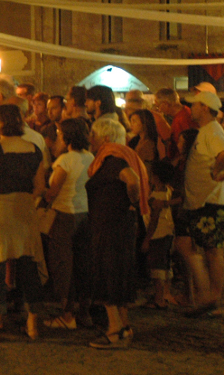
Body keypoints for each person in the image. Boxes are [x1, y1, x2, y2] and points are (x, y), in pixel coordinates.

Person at [0, 104, 47, 342]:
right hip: (24, 210)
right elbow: (39, 187)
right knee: (28, 266)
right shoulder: (34, 149)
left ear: (3, 121)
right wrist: (24, 200)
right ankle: (32, 324)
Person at [85, 118, 150, 349]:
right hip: (119, 224)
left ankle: (115, 329)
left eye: (93, 134)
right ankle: (124, 326)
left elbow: (131, 180)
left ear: (105, 138)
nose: (90, 139)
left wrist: (132, 201)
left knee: (107, 273)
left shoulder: (112, 159)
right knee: (119, 273)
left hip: (110, 225)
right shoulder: (120, 156)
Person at [42, 118, 94, 330]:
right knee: (83, 264)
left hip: (65, 215)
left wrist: (42, 194)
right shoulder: (90, 157)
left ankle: (67, 314)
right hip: (85, 214)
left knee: (63, 264)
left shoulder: (65, 161)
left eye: (60, 135)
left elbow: (53, 191)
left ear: (67, 137)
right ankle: (84, 312)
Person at [180, 91, 224, 317]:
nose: (191, 109)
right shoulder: (207, 131)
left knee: (212, 250)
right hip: (200, 201)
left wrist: (216, 172)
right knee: (194, 247)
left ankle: (214, 297)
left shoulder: (213, 131)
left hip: (210, 201)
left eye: (195, 105)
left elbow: (223, 154)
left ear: (205, 108)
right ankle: (208, 294)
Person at [141, 160, 179, 309]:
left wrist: (147, 239)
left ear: (156, 177)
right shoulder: (168, 190)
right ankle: (166, 294)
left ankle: (159, 299)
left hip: (158, 234)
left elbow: (154, 220)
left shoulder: (157, 195)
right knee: (166, 265)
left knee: (157, 268)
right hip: (168, 232)